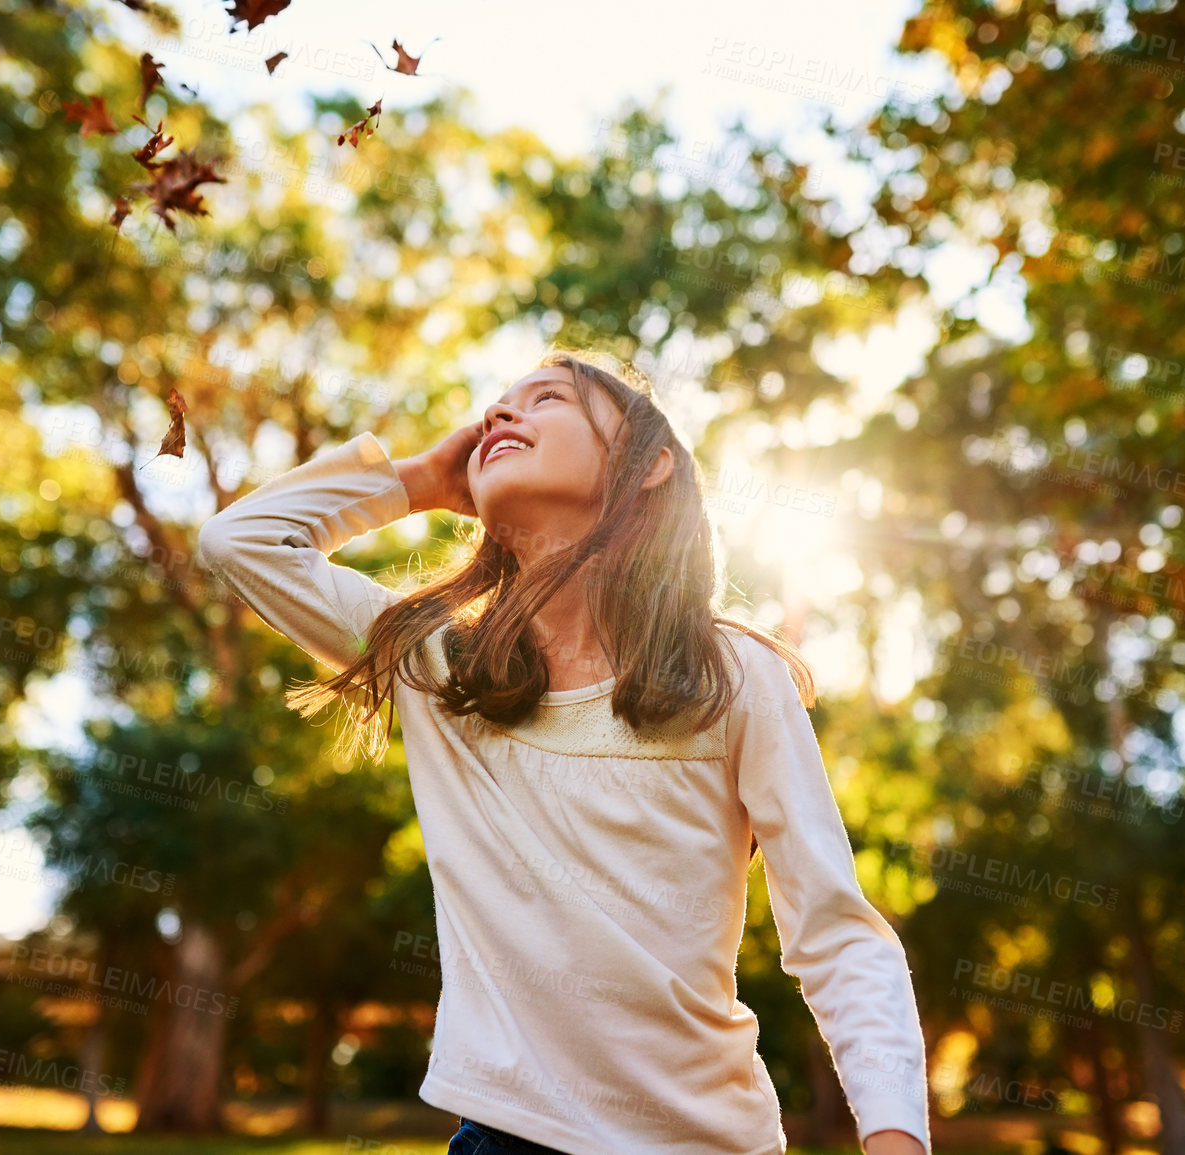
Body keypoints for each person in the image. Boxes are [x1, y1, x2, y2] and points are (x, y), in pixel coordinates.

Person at [196, 349, 931, 1155]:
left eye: (546, 399)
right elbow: (242, 543)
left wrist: (895, 1135)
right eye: (496, 409)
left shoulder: (731, 675)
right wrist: (420, 479)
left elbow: (834, 931)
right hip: (507, 1138)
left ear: (647, 465)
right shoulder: (443, 668)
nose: (502, 416)